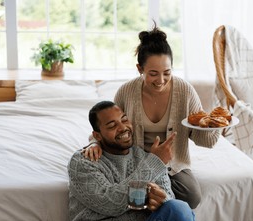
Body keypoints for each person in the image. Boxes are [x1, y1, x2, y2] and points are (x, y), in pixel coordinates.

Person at [83, 23, 220, 209]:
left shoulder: (185, 91)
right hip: (133, 161)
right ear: (140, 69)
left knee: (192, 196)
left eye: (167, 73)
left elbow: (204, 140)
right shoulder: (126, 91)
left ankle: (152, 196)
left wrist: (215, 125)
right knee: (122, 192)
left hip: (171, 164)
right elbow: (110, 125)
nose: (161, 80)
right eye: (153, 74)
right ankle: (152, 200)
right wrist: (94, 143)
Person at [67, 100, 195, 221]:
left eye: (124, 120)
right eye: (112, 125)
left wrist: (157, 200)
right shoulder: (83, 161)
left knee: (179, 208)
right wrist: (153, 167)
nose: (122, 128)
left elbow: (169, 204)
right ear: (97, 135)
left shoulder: (146, 158)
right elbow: (109, 203)